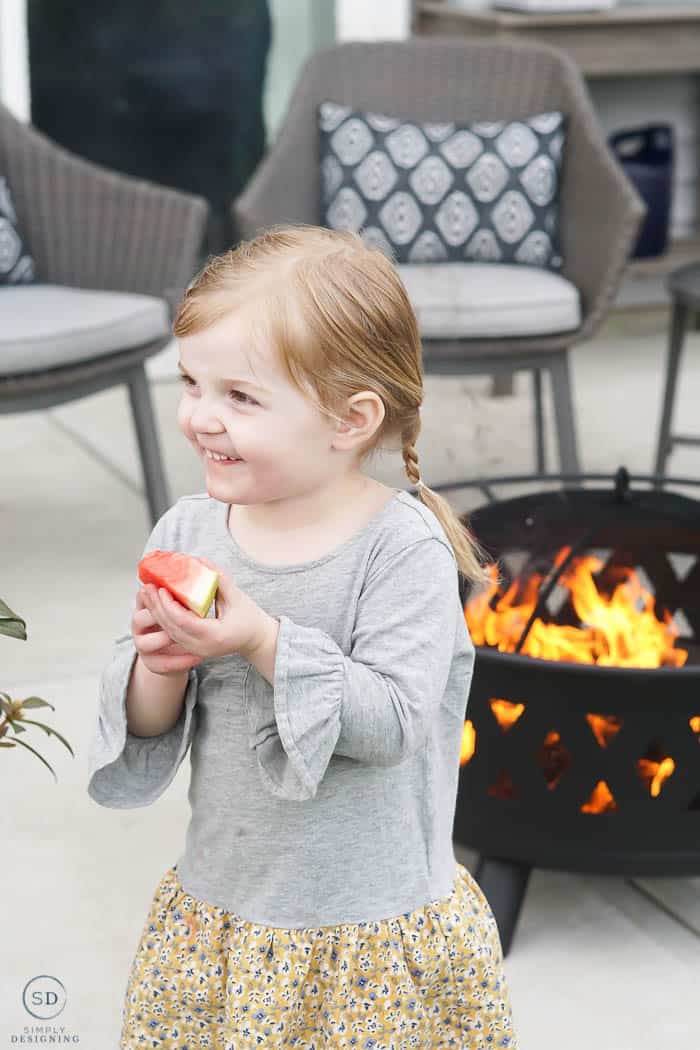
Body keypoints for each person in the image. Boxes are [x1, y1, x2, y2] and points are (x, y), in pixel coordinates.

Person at [87, 223, 520, 1049]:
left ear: (350, 419)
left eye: (239, 397)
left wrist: (261, 640)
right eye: (191, 383)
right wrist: (161, 667)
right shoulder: (188, 531)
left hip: (366, 934)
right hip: (228, 914)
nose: (198, 417)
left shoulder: (400, 550)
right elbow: (146, 726)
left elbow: (393, 723)